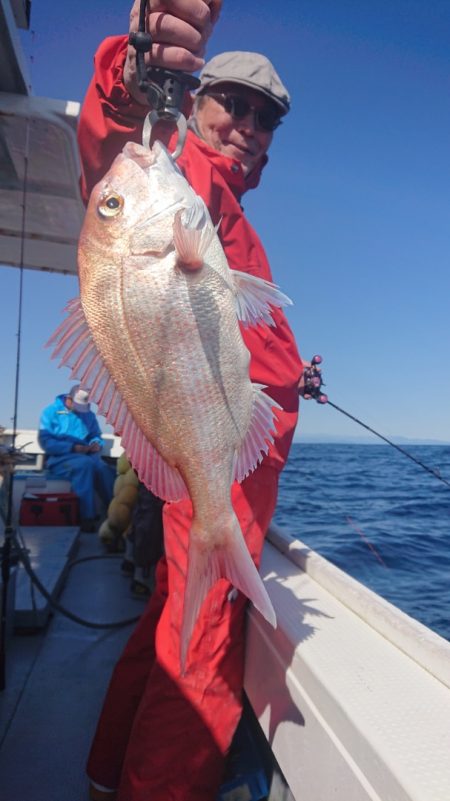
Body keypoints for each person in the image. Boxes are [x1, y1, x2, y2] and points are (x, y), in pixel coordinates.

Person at [78, 2, 304, 799]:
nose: (247, 123)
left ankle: (110, 771)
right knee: (202, 652)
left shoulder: (228, 212)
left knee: (175, 619)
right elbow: (110, 141)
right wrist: (139, 70)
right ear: (196, 105)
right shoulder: (179, 171)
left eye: (265, 116)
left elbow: (237, 336)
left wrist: (292, 376)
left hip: (218, 451)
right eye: (232, 103)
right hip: (218, 468)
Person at [38, 385, 115, 532]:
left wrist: (96, 444)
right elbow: (46, 442)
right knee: (84, 465)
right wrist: (71, 448)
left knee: (104, 469)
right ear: (69, 399)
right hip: (60, 458)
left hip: (88, 455)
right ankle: (86, 517)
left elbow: (95, 435)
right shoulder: (50, 412)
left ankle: (115, 516)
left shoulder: (89, 415)